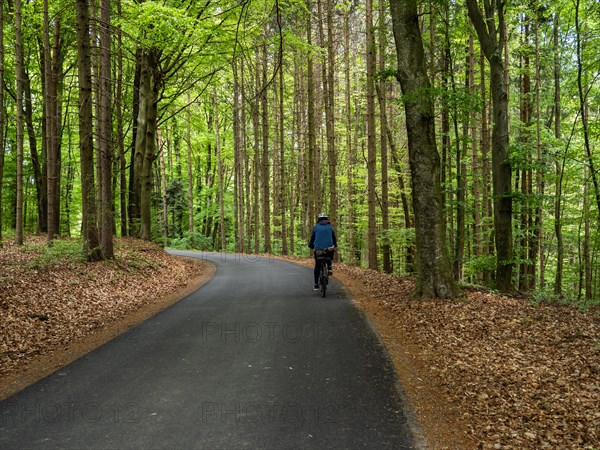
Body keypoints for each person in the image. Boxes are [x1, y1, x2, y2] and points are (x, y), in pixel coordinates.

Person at [308, 212, 337, 290]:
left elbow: (312, 238)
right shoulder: (330, 227)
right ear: (326, 219)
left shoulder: (316, 227)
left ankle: (316, 285)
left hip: (319, 250)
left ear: (319, 220)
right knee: (330, 253)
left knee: (317, 265)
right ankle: (330, 267)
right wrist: (335, 245)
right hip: (329, 249)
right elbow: (334, 238)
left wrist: (310, 245)